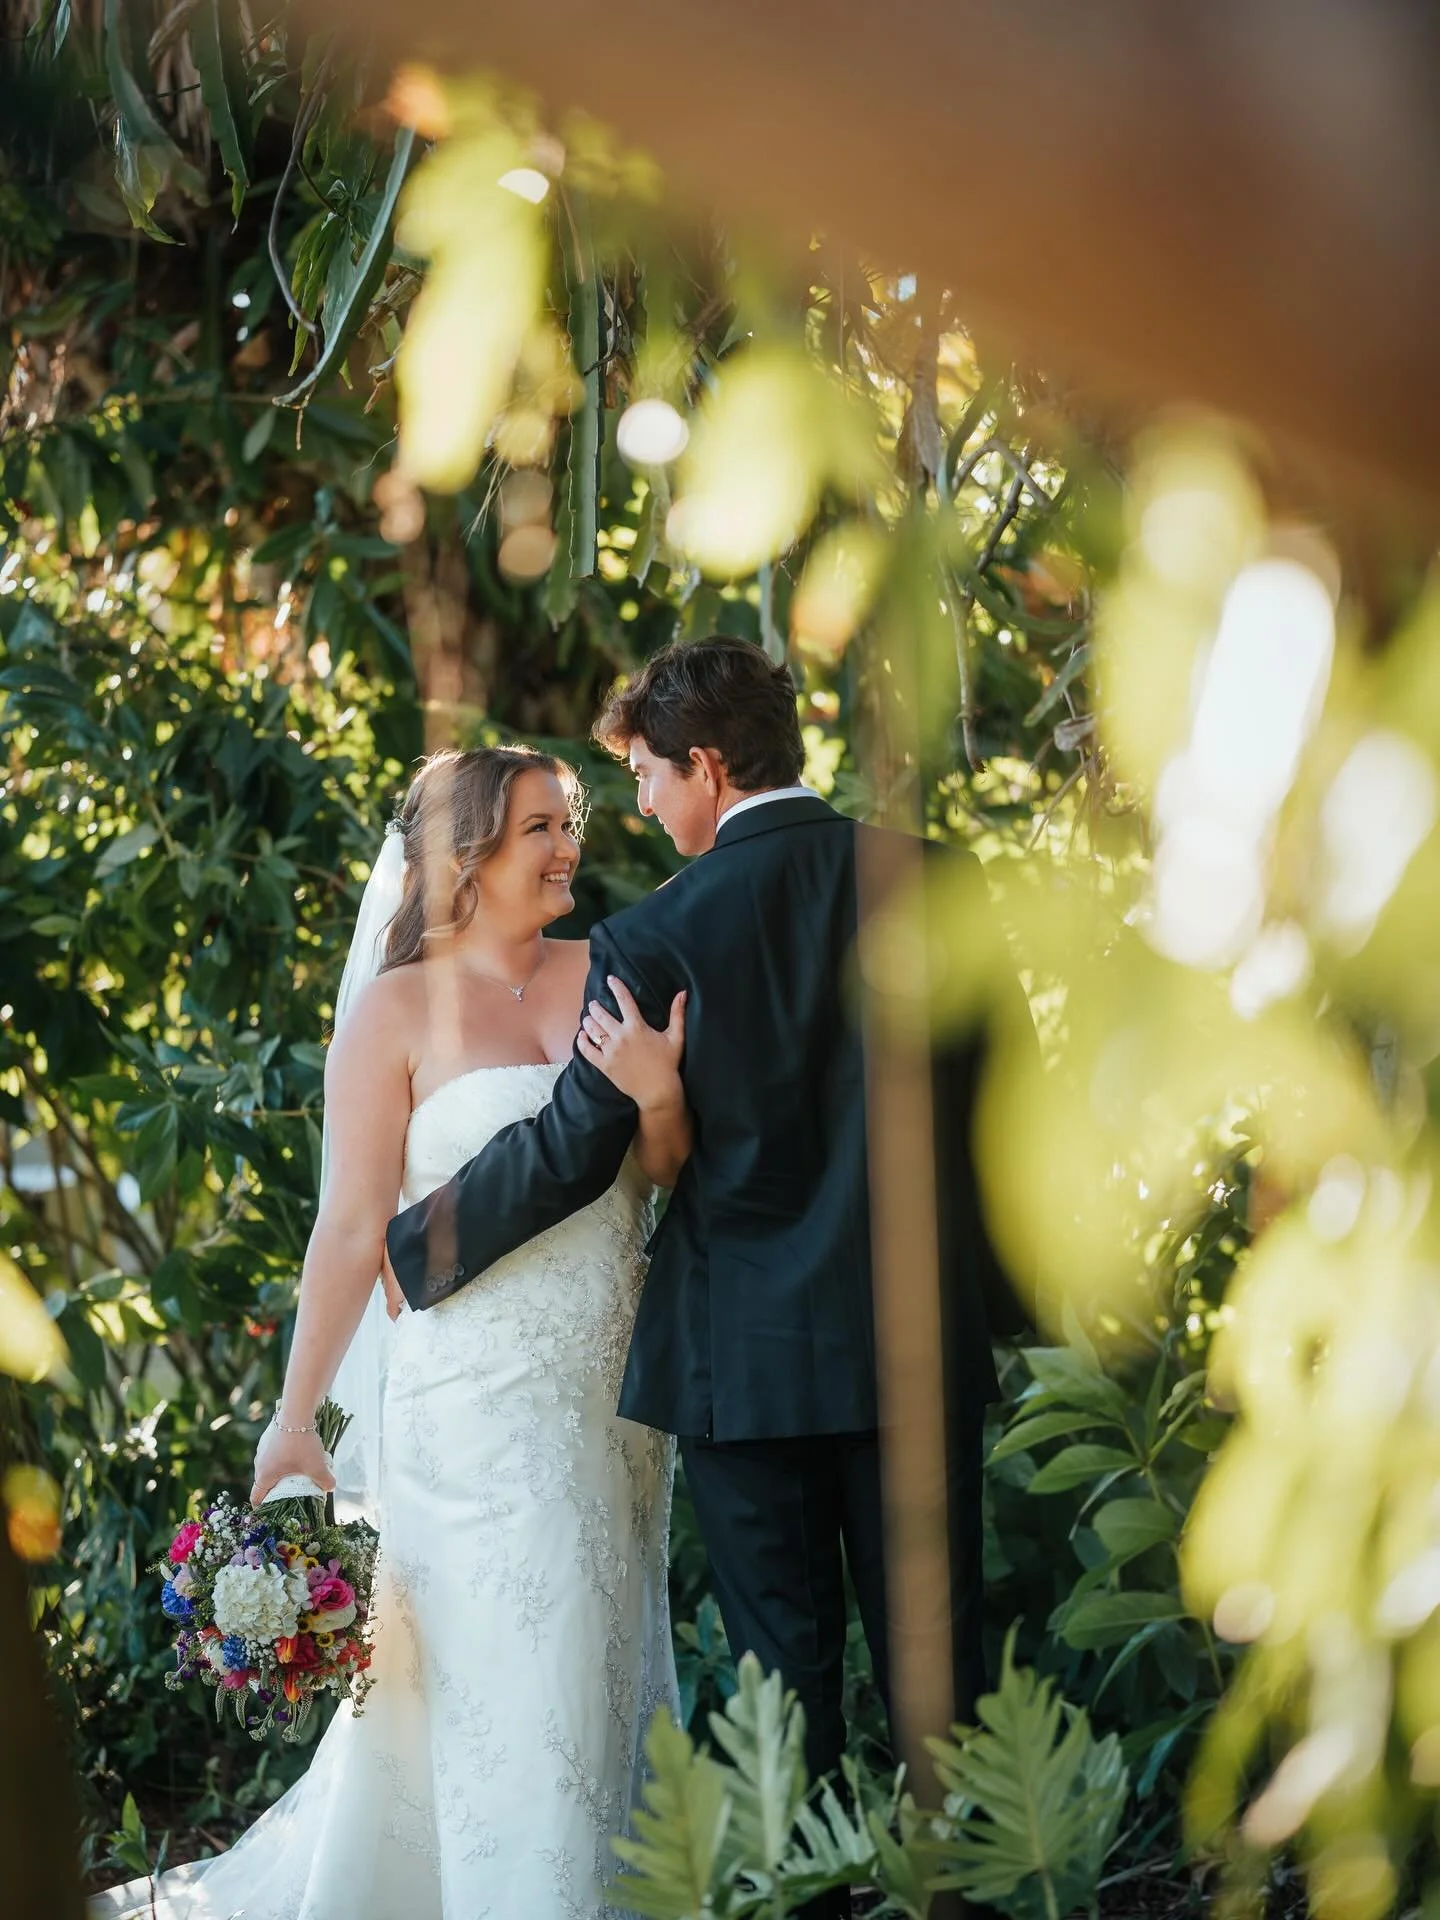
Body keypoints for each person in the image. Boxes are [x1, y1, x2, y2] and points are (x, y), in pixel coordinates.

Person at [388, 637, 1029, 1920]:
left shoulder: (657, 934)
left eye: (641, 775)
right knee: (940, 1686)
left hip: (747, 1370)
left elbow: (578, 1148)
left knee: (783, 1694)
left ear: (710, 766)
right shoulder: (941, 885)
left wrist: (418, 1251)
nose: (634, 806)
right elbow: (1010, 1119)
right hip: (921, 1344)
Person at [110, 744, 683, 1920]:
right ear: (465, 854)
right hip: (468, 1406)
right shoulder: (393, 1011)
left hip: (610, 1400)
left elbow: (663, 1166)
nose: (570, 846)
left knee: (594, 1666)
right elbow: (348, 1231)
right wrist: (292, 1422)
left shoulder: (606, 968)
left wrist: (663, 1095)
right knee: (512, 1674)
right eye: (540, 827)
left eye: (568, 822)